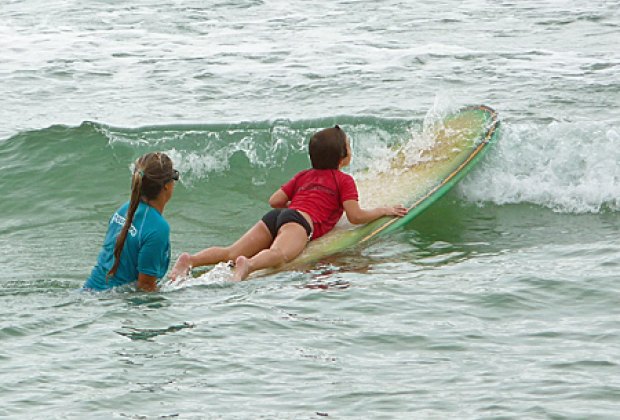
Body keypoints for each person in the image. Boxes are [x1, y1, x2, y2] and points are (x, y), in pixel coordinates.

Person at [171, 125, 407, 281]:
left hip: (276, 218)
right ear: (342, 158)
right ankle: (248, 265)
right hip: (299, 223)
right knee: (279, 254)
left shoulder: (304, 175)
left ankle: (189, 260)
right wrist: (383, 210)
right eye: (348, 146)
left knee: (230, 251)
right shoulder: (343, 180)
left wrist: (301, 204)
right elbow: (355, 216)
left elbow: (275, 201)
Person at [84, 152, 179, 292]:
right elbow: (145, 288)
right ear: (166, 186)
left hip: (88, 292)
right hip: (110, 301)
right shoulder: (158, 228)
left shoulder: (124, 209)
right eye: (175, 176)